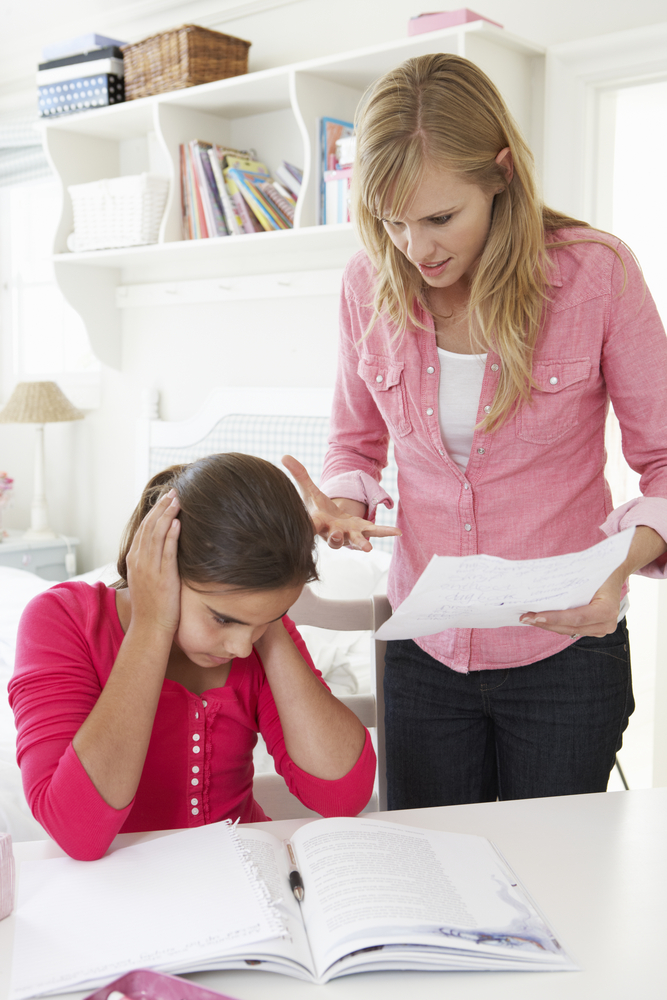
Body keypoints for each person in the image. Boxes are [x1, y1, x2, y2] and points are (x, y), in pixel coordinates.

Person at [285, 53, 667, 809]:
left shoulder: (595, 275)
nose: (414, 249)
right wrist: (343, 505)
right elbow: (355, 447)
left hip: (564, 654)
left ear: (499, 175)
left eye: (438, 218)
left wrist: (618, 566)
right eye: (391, 222)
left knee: (556, 892)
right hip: (425, 653)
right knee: (436, 884)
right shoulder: (367, 284)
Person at [9, 453, 375, 860]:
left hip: (246, 882)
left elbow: (343, 797)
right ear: (160, 567)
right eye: (223, 619)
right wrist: (151, 625)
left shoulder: (257, 634)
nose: (240, 647)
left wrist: (271, 620)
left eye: (267, 619)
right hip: (117, 896)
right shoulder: (62, 620)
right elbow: (76, 832)